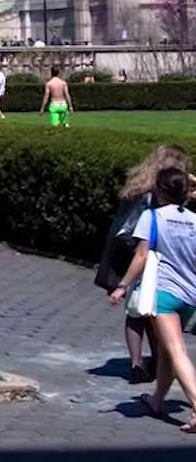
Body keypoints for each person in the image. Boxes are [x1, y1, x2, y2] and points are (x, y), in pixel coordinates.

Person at [108, 165, 196, 430]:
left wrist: (122, 286)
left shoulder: (153, 217)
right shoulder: (193, 220)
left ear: (159, 191)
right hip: (190, 296)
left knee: (176, 350)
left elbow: (142, 256)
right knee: (169, 351)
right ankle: (157, 399)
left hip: (164, 293)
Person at [100, 146, 190, 383]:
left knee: (137, 310)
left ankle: (137, 362)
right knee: (153, 312)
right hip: (152, 259)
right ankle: (158, 362)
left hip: (134, 256)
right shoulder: (163, 194)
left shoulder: (140, 187)